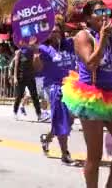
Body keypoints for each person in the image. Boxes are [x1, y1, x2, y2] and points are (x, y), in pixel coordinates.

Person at [62, 0, 112, 188]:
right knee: (95, 156)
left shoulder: (110, 38)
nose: (104, 14)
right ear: (87, 18)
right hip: (92, 98)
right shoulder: (82, 36)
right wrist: (102, 38)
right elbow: (91, 64)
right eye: (99, 11)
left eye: (106, 10)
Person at [33, 24, 77, 165]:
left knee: (67, 121)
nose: (56, 34)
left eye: (58, 31)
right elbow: (38, 68)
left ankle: (46, 138)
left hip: (72, 86)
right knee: (62, 120)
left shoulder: (69, 44)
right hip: (55, 87)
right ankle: (65, 154)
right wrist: (35, 55)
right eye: (52, 32)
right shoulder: (44, 49)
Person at [12, 44, 44, 121]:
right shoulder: (19, 52)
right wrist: (15, 78)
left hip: (31, 77)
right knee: (19, 96)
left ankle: (39, 115)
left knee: (34, 96)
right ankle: (15, 112)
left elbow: (36, 64)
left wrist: (36, 53)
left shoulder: (33, 51)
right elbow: (16, 66)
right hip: (21, 77)